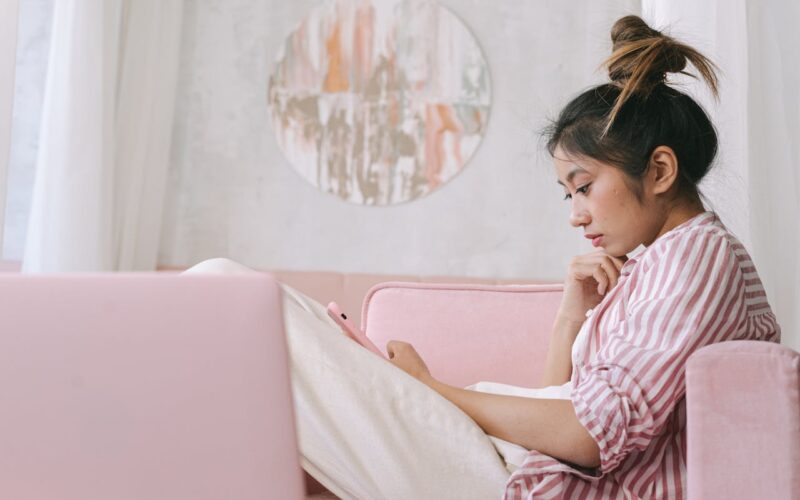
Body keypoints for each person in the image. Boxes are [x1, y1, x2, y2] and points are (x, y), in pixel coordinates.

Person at [188, 15, 780, 500]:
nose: (574, 214)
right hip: (517, 465)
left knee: (223, 293)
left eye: (583, 186)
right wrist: (571, 317)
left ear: (659, 170)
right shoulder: (659, 263)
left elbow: (591, 439)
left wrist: (432, 389)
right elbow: (562, 409)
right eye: (567, 194)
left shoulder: (696, 261)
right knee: (245, 316)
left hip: (516, 481)